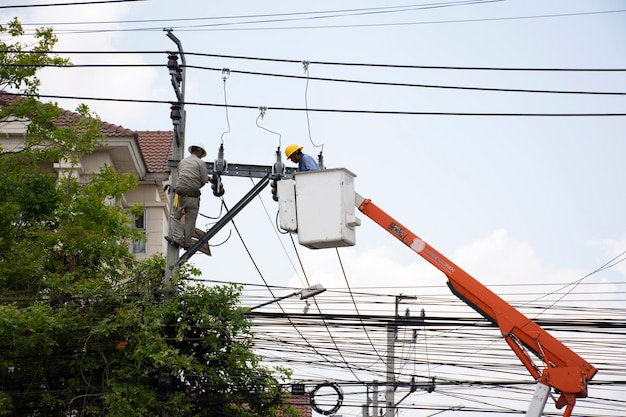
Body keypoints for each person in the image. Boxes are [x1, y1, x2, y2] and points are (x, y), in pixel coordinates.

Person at [166, 145, 209, 250]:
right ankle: (187, 244)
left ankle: (177, 239)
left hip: (180, 196)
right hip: (193, 197)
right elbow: (204, 180)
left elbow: (181, 175)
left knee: (175, 216)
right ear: (199, 152)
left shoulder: (182, 162)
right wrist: (197, 185)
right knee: (190, 221)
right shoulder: (200, 163)